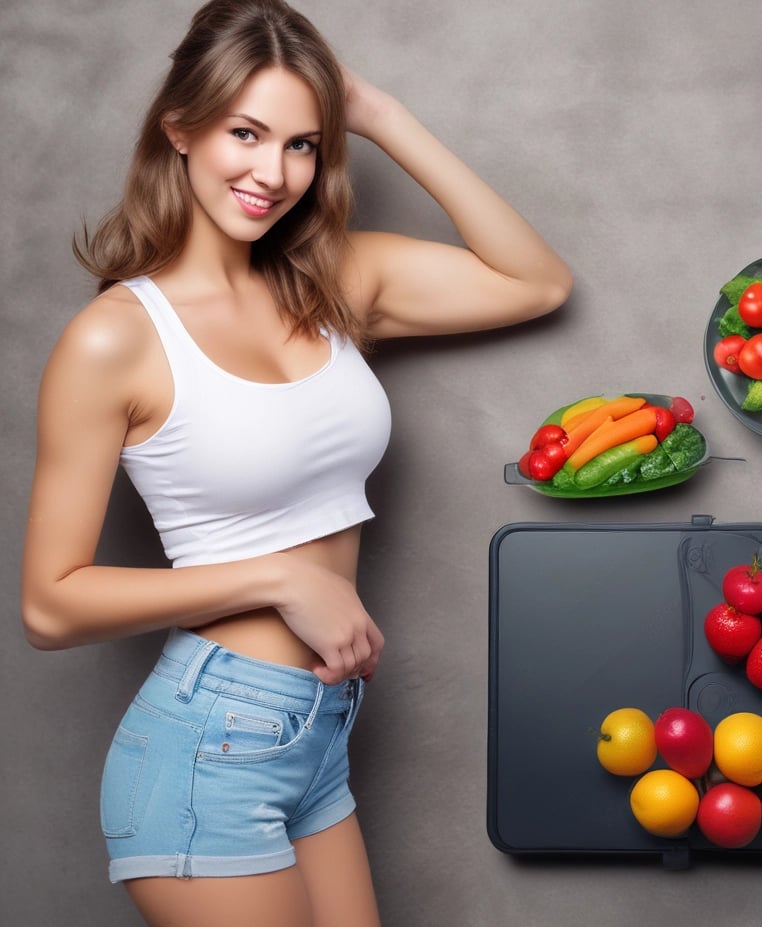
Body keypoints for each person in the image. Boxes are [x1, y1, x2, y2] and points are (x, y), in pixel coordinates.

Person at [19, 1, 572, 924]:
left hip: (313, 734)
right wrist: (279, 577)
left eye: (302, 144)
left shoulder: (331, 284)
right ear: (181, 127)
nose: (271, 174)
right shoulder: (115, 339)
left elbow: (536, 281)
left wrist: (381, 114)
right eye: (245, 132)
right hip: (207, 744)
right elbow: (50, 602)